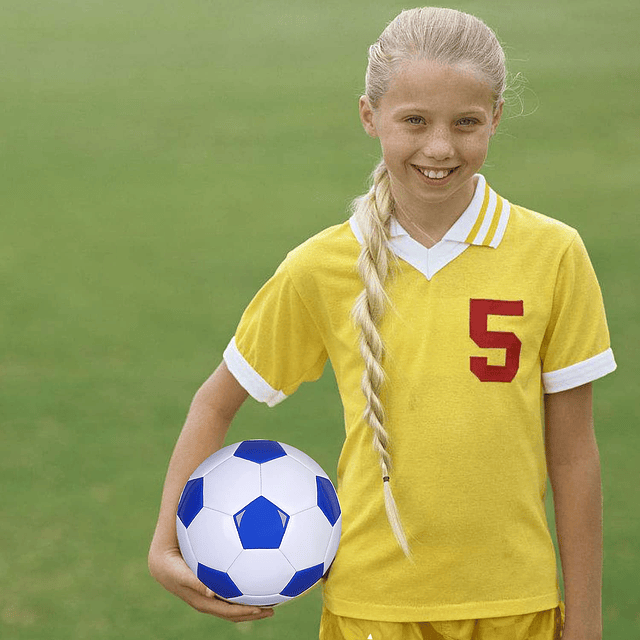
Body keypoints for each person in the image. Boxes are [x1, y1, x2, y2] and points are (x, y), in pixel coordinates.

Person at [148, 6, 616, 639]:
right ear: (370, 117)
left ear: (496, 118)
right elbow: (215, 402)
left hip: (516, 606)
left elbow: (574, 456)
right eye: (414, 121)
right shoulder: (320, 267)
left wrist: (585, 622)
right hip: (371, 609)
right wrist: (165, 544)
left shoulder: (553, 255)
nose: (440, 147)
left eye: (466, 123)